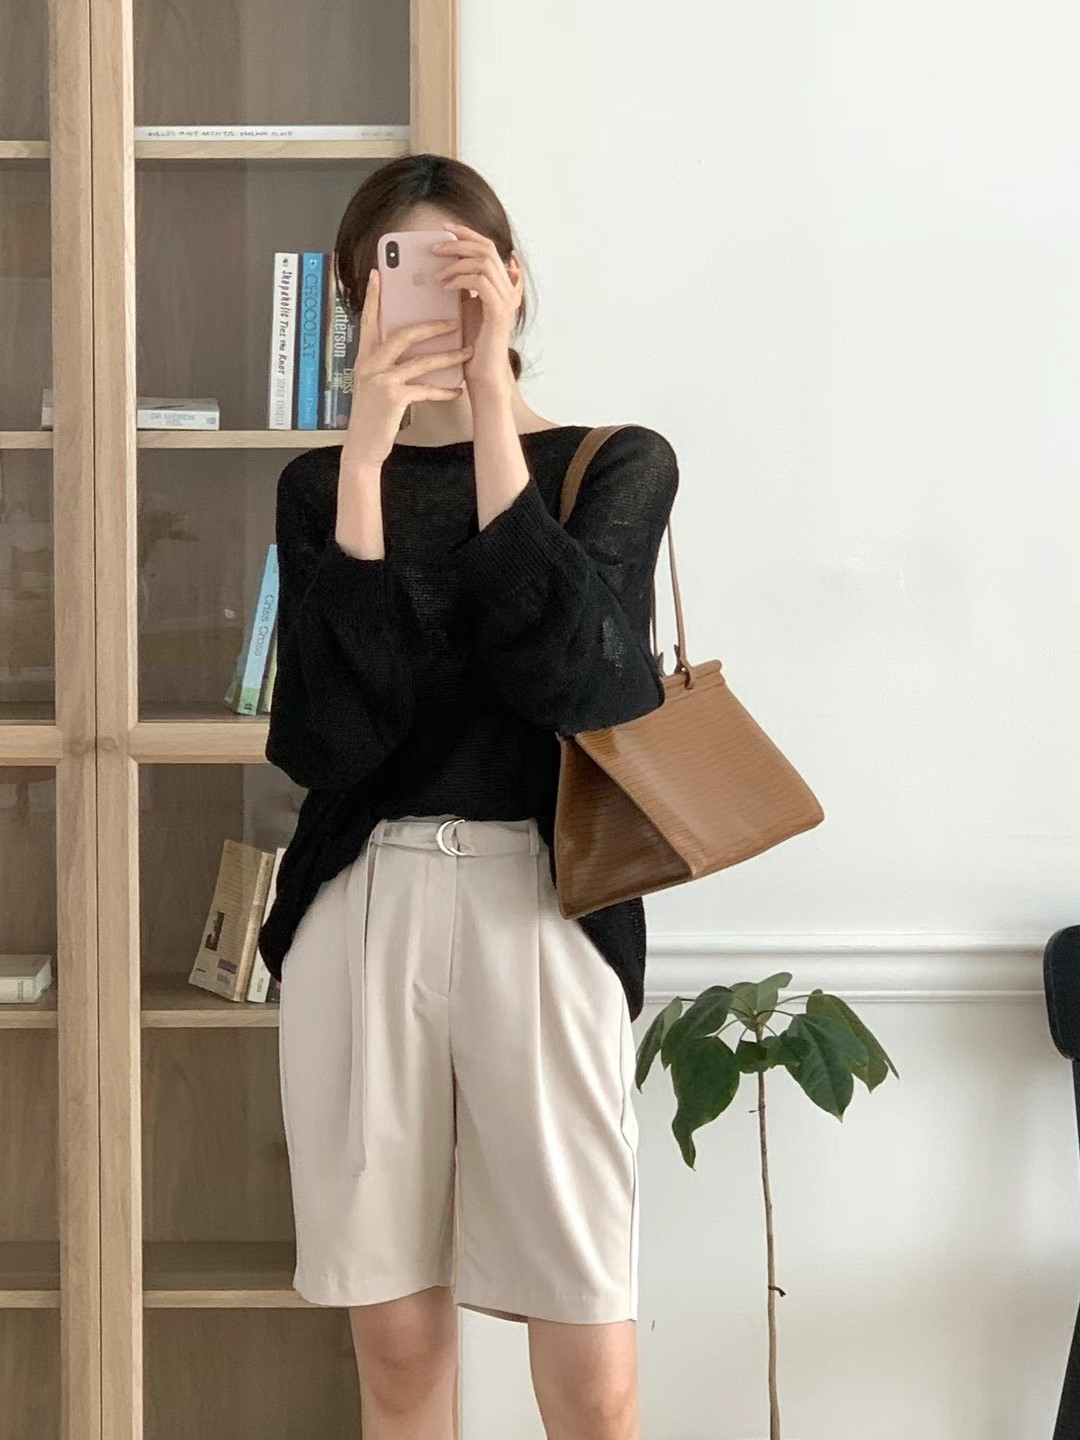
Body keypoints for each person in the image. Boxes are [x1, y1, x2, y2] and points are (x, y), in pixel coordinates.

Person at [258, 152, 679, 1440]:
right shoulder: (319, 487)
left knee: (594, 1371)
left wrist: (494, 412)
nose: (436, 306)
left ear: (514, 285)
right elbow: (329, 739)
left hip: (547, 904)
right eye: (400, 276)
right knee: (396, 1353)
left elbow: (577, 684)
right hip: (363, 903)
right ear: (356, 302)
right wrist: (365, 464)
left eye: (465, 274)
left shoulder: (617, 463)